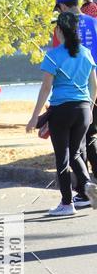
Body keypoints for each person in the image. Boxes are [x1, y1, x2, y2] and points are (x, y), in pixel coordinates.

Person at [27, 12, 97, 216]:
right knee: (75, 154)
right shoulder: (86, 53)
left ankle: (67, 204)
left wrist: (34, 116)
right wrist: (90, 108)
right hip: (83, 110)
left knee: (63, 158)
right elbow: (94, 85)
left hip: (62, 111)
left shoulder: (54, 55)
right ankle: (89, 188)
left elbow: (45, 88)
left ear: (59, 30)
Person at [53, 0, 97, 192]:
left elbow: (58, 63)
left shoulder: (61, 27)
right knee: (90, 137)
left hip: (73, 93)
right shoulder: (94, 22)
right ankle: (90, 186)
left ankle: (82, 190)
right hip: (94, 87)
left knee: (76, 145)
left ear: (62, 6)